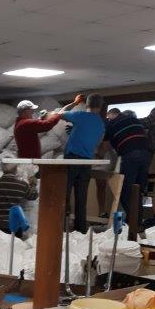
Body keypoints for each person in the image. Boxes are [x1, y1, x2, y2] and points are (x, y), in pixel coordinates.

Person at [57, 94, 105, 233]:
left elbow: (60, 114)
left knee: (64, 194)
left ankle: (61, 228)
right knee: (81, 197)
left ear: (87, 104)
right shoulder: (101, 124)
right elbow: (97, 141)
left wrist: (74, 103)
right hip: (86, 162)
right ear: (100, 106)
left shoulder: (80, 115)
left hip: (72, 159)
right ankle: (80, 230)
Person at [102, 108, 151, 226]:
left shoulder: (111, 124)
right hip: (146, 154)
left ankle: (134, 223)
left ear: (111, 115)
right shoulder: (134, 120)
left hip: (130, 154)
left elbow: (104, 148)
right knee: (137, 190)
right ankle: (136, 223)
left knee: (125, 191)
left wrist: (98, 154)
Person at [0, 165, 38, 240]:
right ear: (15, 169)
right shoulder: (22, 185)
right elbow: (33, 196)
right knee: (14, 247)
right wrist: (33, 184)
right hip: (15, 227)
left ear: (3, 169)